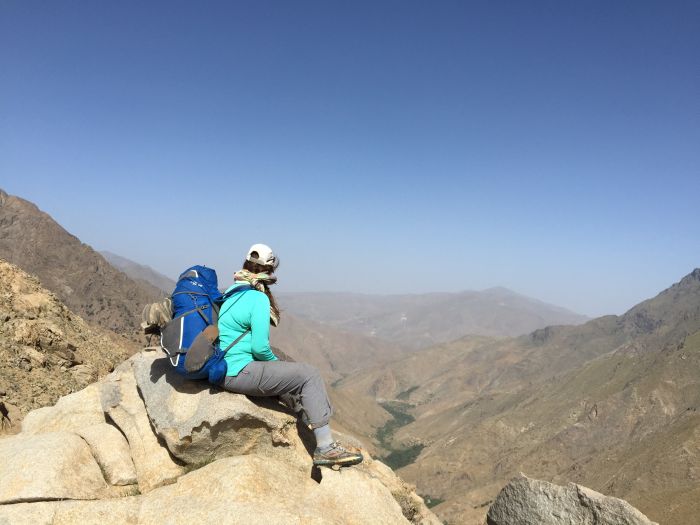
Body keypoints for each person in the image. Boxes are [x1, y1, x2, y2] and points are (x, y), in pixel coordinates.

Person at [217, 243, 363, 468]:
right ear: (269, 270)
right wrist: (276, 365)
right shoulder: (258, 298)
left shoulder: (231, 291)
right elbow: (259, 348)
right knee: (309, 375)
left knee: (289, 373)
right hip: (239, 371)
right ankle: (326, 448)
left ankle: (308, 422)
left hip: (225, 367)